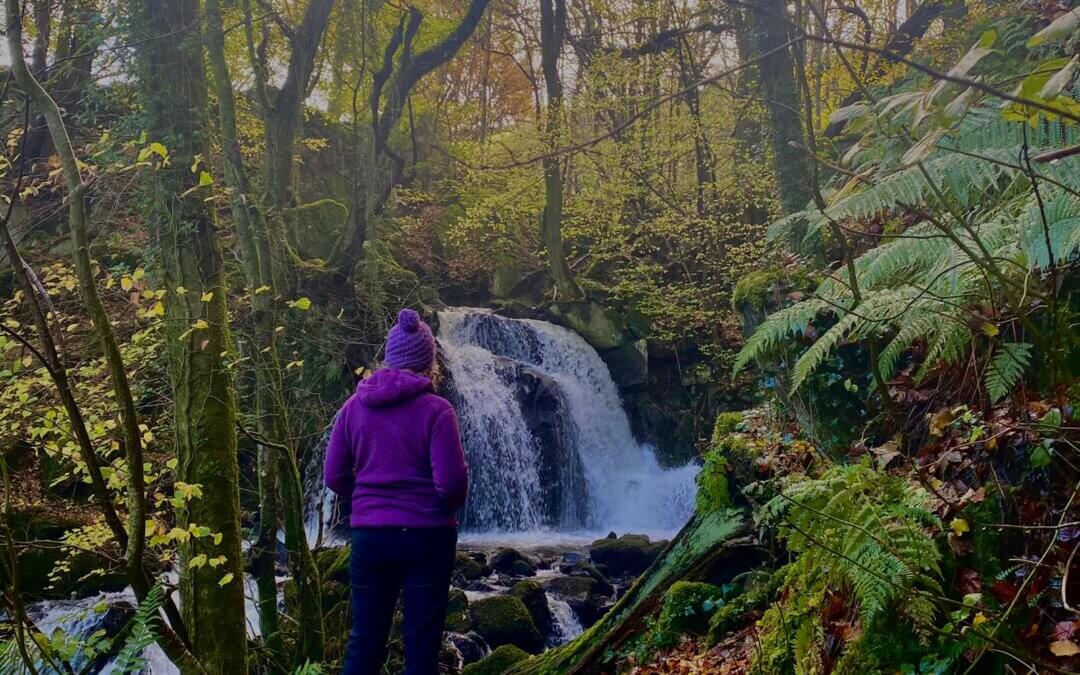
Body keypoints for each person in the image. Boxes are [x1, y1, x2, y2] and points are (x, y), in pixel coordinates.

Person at [324, 308, 469, 675]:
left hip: (371, 537)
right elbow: (451, 484)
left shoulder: (353, 407)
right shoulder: (437, 410)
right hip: (427, 538)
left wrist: (366, 500)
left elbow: (333, 475)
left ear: (388, 358)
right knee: (421, 648)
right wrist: (438, 506)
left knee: (364, 643)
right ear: (428, 363)